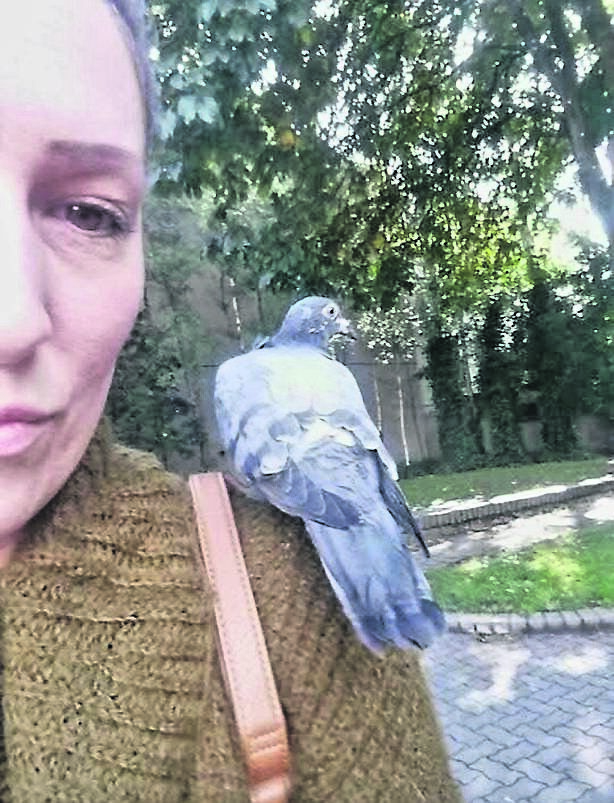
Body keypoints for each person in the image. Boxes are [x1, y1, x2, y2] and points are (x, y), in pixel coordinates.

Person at [0, 1, 462, 800]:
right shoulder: (275, 375)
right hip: (351, 485)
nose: (13, 319)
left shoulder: (288, 616)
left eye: (89, 212)